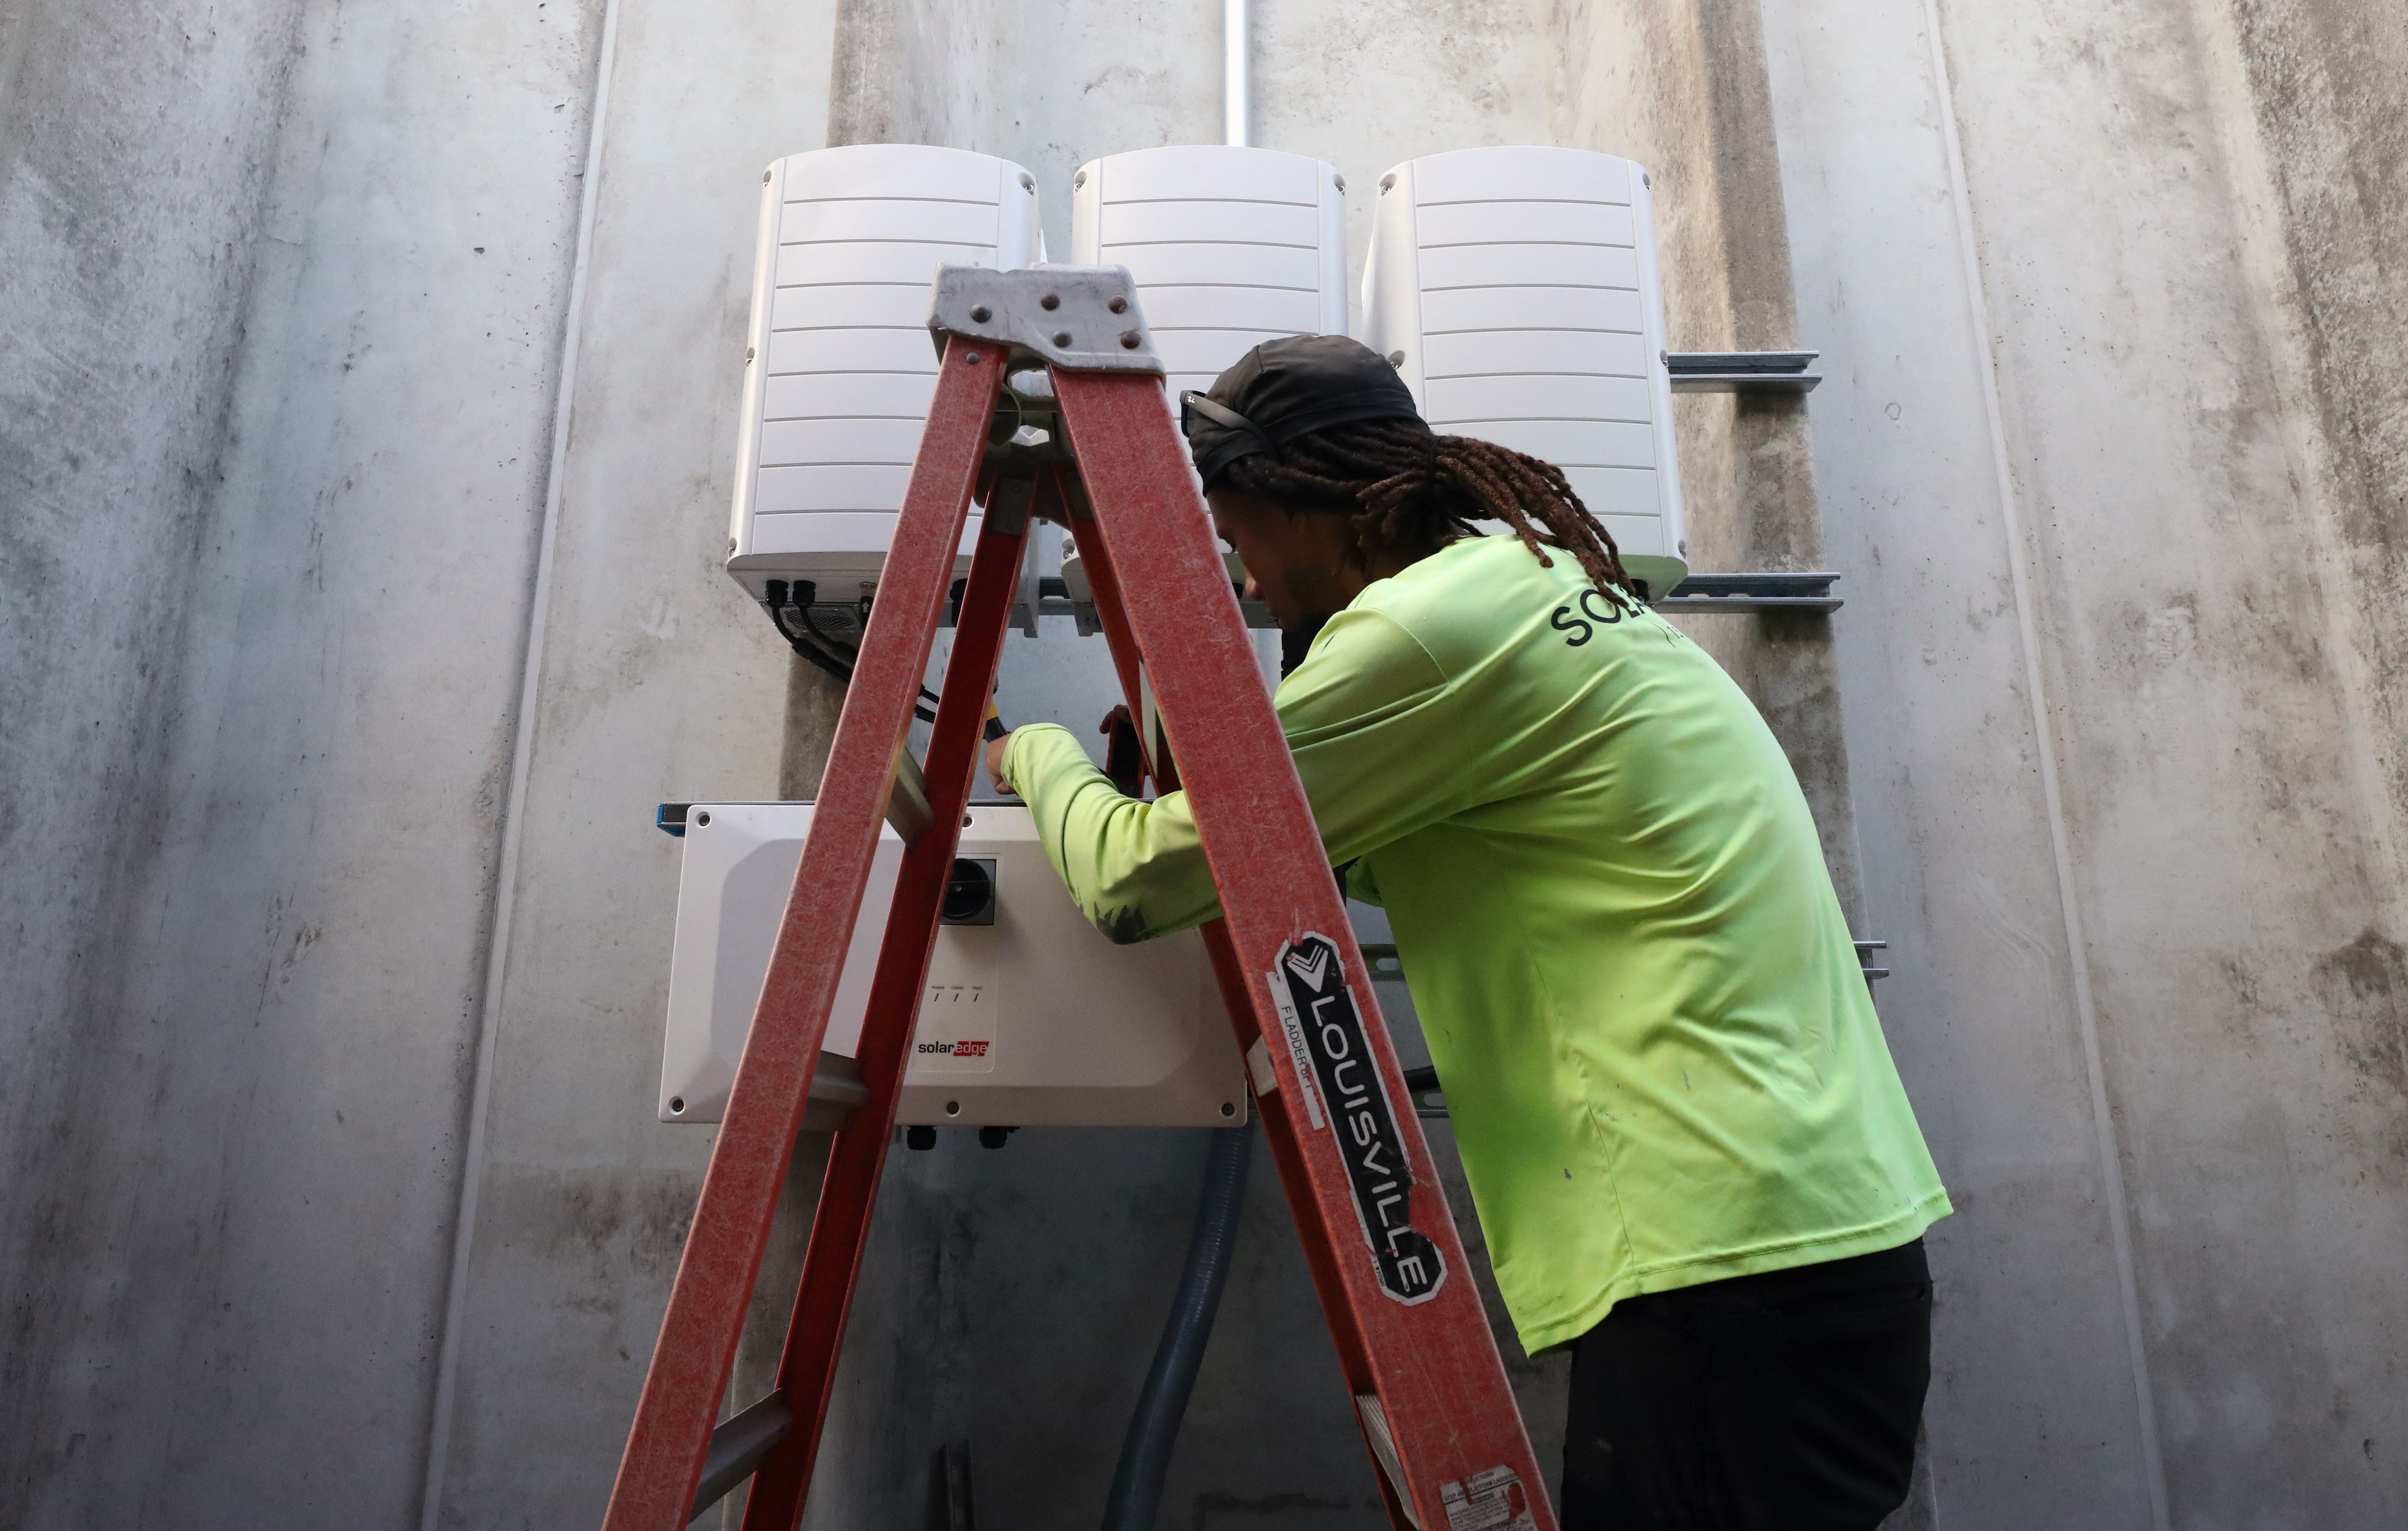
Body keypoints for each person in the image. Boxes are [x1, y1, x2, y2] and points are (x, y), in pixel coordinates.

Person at [983, 335, 1951, 1529]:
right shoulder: (1526, 591)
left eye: (1242, 535)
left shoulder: (1422, 635)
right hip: (1806, 1241)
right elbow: (1359, 858)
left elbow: (1138, 880)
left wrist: (1027, 751)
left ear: (1309, 500)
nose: (1244, 576)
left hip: (1718, 1261)